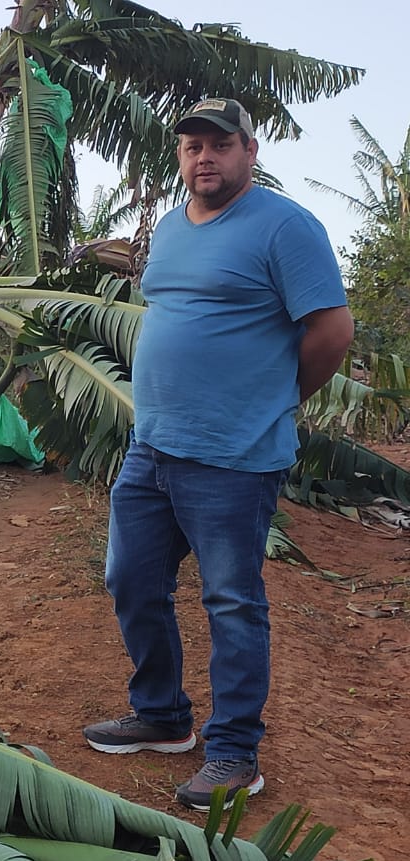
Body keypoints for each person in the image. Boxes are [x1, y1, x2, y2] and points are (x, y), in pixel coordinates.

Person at [82, 97, 354, 811]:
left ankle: (234, 753)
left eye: (220, 144)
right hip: (153, 446)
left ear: (249, 151)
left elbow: (330, 330)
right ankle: (163, 715)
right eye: (192, 146)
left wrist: (277, 395)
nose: (204, 157)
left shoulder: (285, 227)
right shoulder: (170, 229)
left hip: (235, 455)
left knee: (232, 603)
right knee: (131, 581)